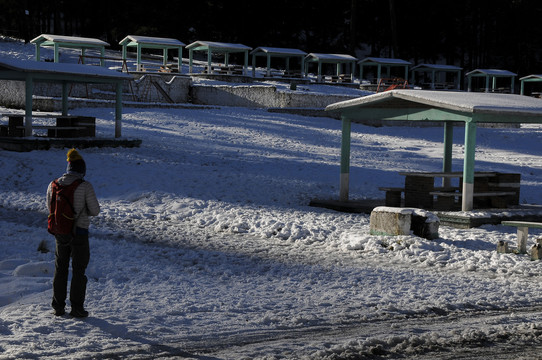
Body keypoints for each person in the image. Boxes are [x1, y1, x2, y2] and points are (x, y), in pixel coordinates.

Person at [46, 148, 100, 317]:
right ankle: (76, 307)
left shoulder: (53, 184)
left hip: (60, 232)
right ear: (81, 170)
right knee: (78, 270)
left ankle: (58, 306)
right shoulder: (85, 186)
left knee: (60, 268)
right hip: (80, 232)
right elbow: (95, 210)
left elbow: (50, 208)